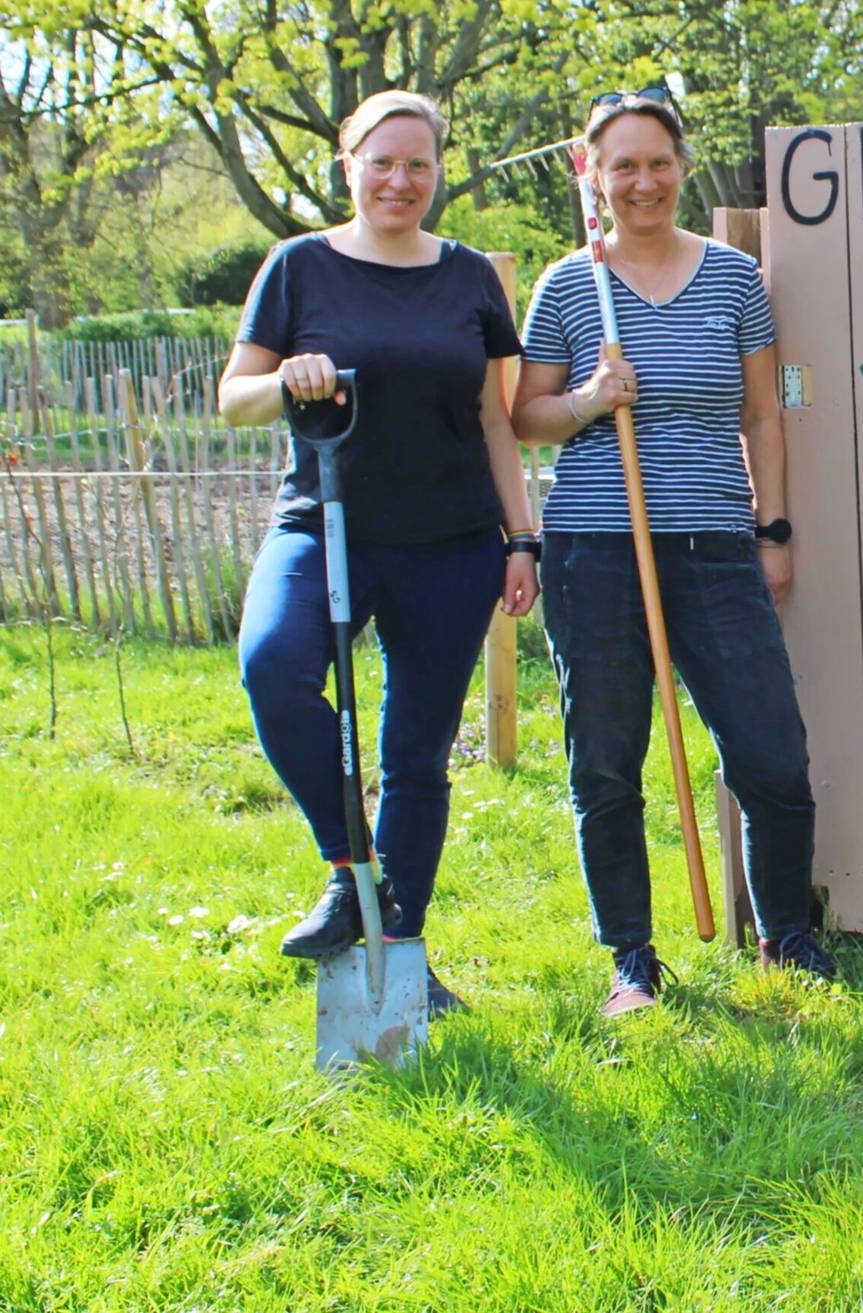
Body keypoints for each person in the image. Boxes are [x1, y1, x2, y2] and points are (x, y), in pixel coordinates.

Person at [219, 90, 539, 1015]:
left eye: (420, 165)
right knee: (273, 669)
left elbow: (494, 420)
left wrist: (522, 540)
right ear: (348, 164)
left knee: (415, 754)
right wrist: (284, 377)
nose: (401, 180)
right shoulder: (298, 267)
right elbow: (232, 397)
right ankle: (351, 866)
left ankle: (403, 959)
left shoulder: (471, 275)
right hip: (324, 524)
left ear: (438, 173)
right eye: (383, 161)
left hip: (450, 544)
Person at [512, 89, 830, 1016]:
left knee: (771, 750)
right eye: (623, 165)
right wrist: (586, 399)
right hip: (595, 551)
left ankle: (786, 936)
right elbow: (525, 416)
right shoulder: (571, 285)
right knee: (605, 760)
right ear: (596, 175)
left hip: (715, 546)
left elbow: (764, 414)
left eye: (658, 161)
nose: (642, 181)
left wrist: (773, 529)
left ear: (683, 166)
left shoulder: (734, 279)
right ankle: (632, 961)